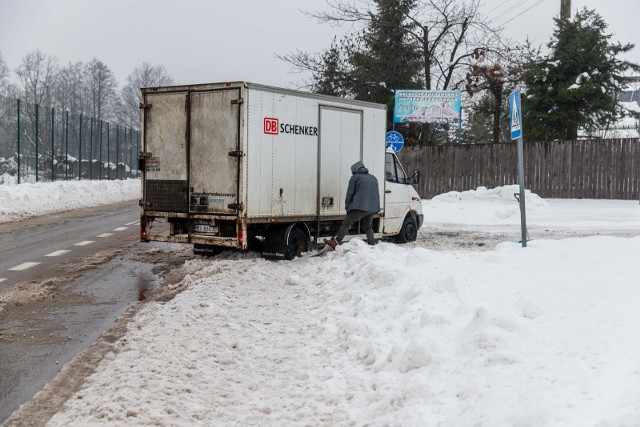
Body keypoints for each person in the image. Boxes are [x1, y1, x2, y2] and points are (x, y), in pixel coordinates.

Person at [324, 160, 380, 249]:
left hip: (360, 207)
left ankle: (336, 241)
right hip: (373, 207)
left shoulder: (355, 178)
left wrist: (348, 208)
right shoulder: (373, 178)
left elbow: (350, 194)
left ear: (355, 170)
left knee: (346, 223)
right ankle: (372, 243)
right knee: (367, 226)